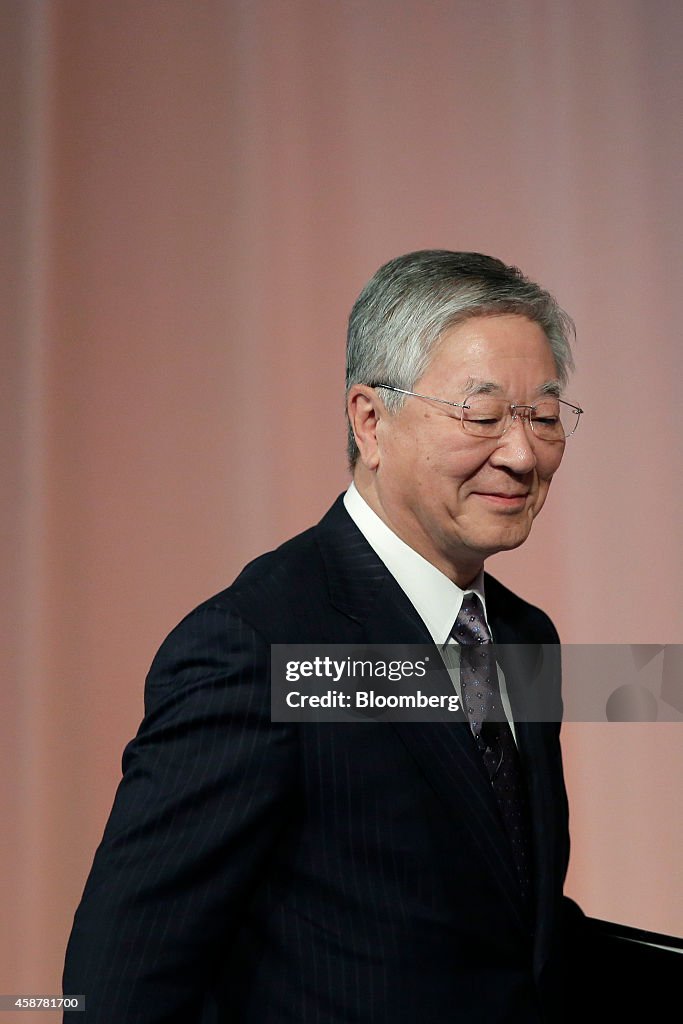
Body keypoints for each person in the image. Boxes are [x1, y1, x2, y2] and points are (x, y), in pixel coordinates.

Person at [64, 250, 586, 1023]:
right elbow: (117, 988)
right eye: (480, 416)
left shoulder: (520, 635)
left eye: (542, 418)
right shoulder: (255, 643)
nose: (519, 454)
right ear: (369, 421)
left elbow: (498, 928)